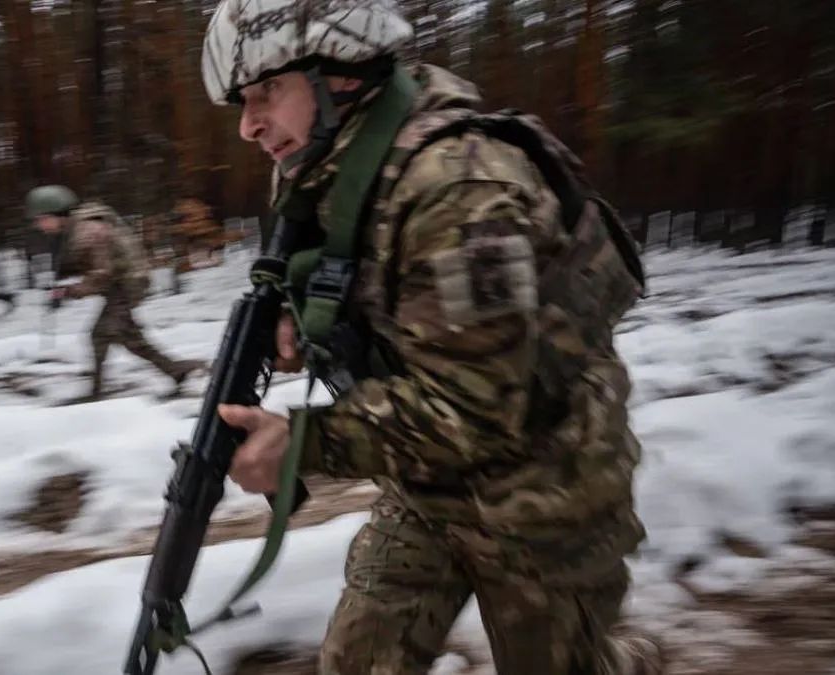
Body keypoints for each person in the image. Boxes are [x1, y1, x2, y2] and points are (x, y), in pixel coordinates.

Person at [202, 1, 663, 673]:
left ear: (341, 70)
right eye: (242, 101)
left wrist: (306, 441)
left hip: (546, 489)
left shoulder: (461, 187)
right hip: (427, 482)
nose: (247, 125)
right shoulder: (323, 168)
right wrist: (302, 322)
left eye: (266, 90)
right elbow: (362, 283)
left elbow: (479, 408)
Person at [24, 185, 207, 400]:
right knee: (129, 338)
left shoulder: (88, 232)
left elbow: (102, 274)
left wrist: (70, 291)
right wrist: (63, 288)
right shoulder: (74, 231)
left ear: (58, 213)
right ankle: (177, 371)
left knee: (101, 334)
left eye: (42, 219)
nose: (39, 225)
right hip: (120, 283)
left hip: (128, 283)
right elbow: (86, 266)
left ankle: (96, 393)